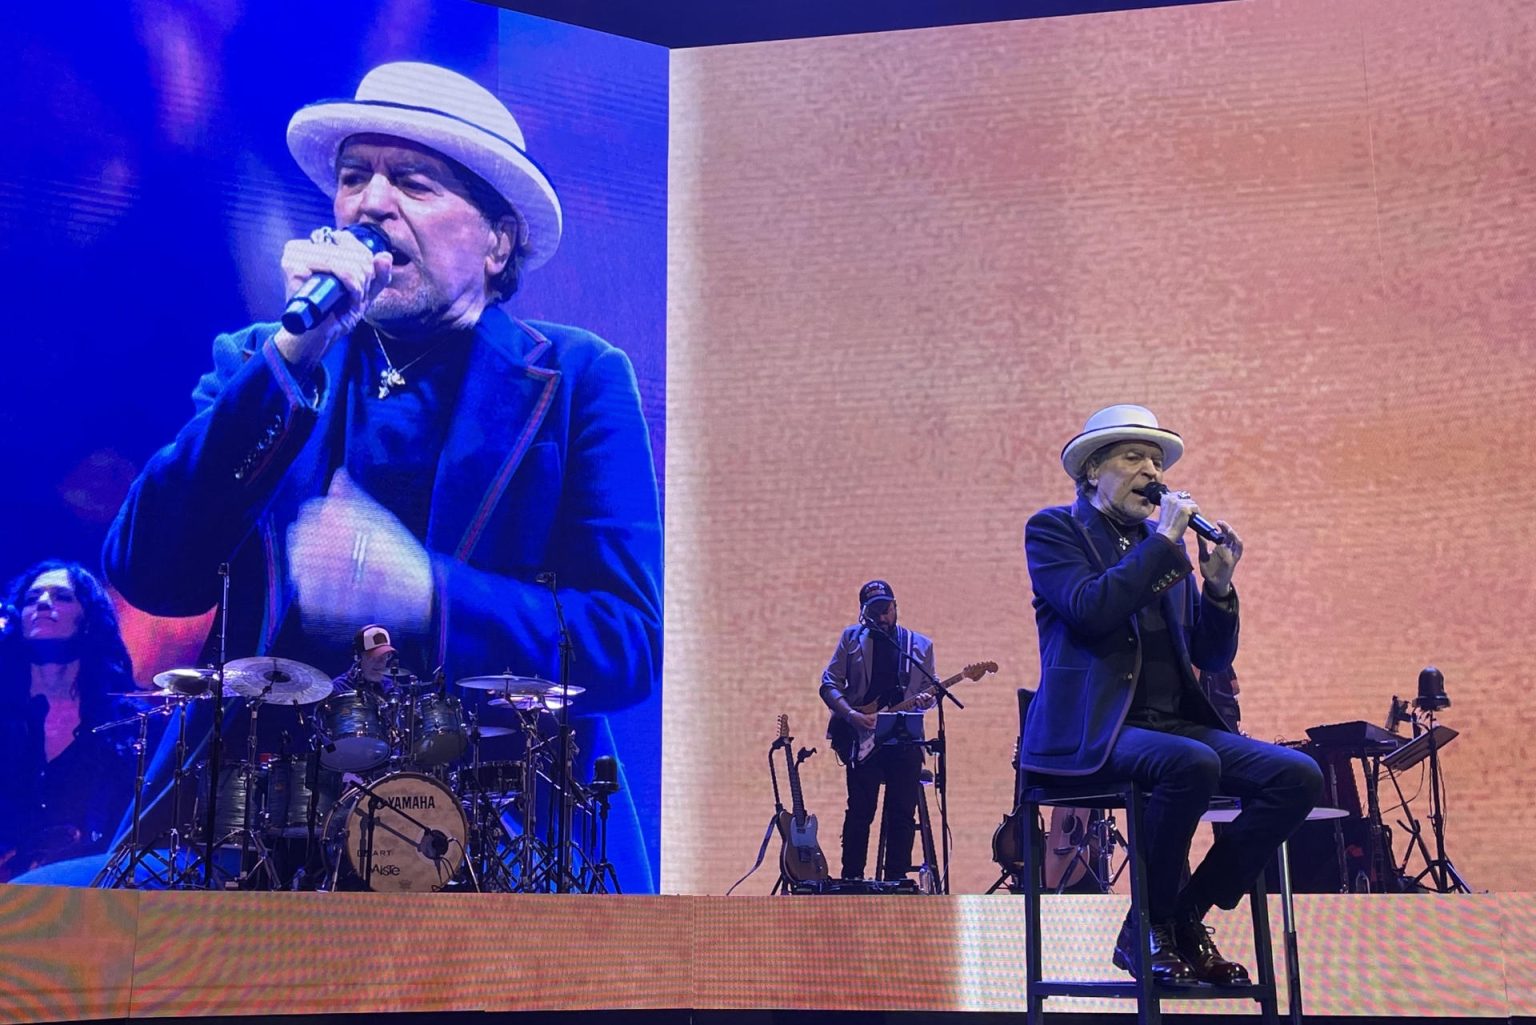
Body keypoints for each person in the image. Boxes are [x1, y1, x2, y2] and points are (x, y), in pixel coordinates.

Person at [101, 63, 662, 881]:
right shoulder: (264, 362)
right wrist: (292, 356)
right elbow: (149, 569)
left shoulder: (578, 381)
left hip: (489, 834)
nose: (370, 202)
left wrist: (426, 594)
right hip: (253, 829)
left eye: (413, 181)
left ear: (498, 239)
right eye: (354, 176)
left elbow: (626, 643)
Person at [1021, 405, 1321, 985]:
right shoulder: (1056, 530)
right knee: (1192, 762)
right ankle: (1152, 928)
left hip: (1170, 726)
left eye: (1156, 460)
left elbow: (1211, 658)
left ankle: (1177, 916)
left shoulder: (1166, 551)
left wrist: (1217, 588)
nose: (1151, 471)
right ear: (1091, 472)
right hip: (1093, 733)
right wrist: (1161, 543)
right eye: (1133, 457)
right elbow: (1091, 609)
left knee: (1298, 775)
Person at [0, 561, 139, 881]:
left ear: (88, 620)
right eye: (32, 598)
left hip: (84, 884)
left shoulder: (121, 720)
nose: (43, 603)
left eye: (61, 597)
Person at [819, 580, 936, 882]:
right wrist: (853, 715)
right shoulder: (851, 639)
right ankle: (852, 878)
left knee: (901, 812)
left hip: (903, 739)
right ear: (863, 613)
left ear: (896, 607)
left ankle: (895, 879)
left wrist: (927, 700)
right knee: (860, 810)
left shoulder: (918, 646)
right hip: (862, 739)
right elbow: (829, 684)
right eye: (874, 611)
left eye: (886, 609)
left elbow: (929, 692)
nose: (882, 617)